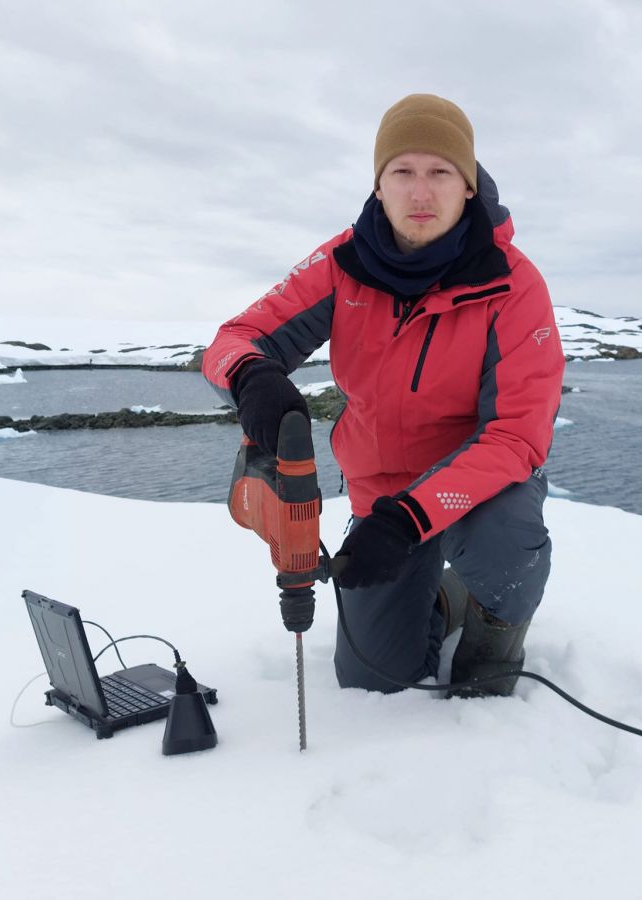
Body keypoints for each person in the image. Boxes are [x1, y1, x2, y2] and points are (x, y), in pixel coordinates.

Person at [203, 93, 564, 697]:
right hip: (380, 496)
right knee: (373, 678)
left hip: (477, 491)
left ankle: (489, 653)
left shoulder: (513, 284)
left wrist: (411, 518)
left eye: (440, 173)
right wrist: (252, 377)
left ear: (468, 185)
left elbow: (517, 435)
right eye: (402, 172)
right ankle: (444, 596)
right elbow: (232, 339)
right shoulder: (343, 263)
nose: (420, 194)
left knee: (507, 541)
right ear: (378, 184)